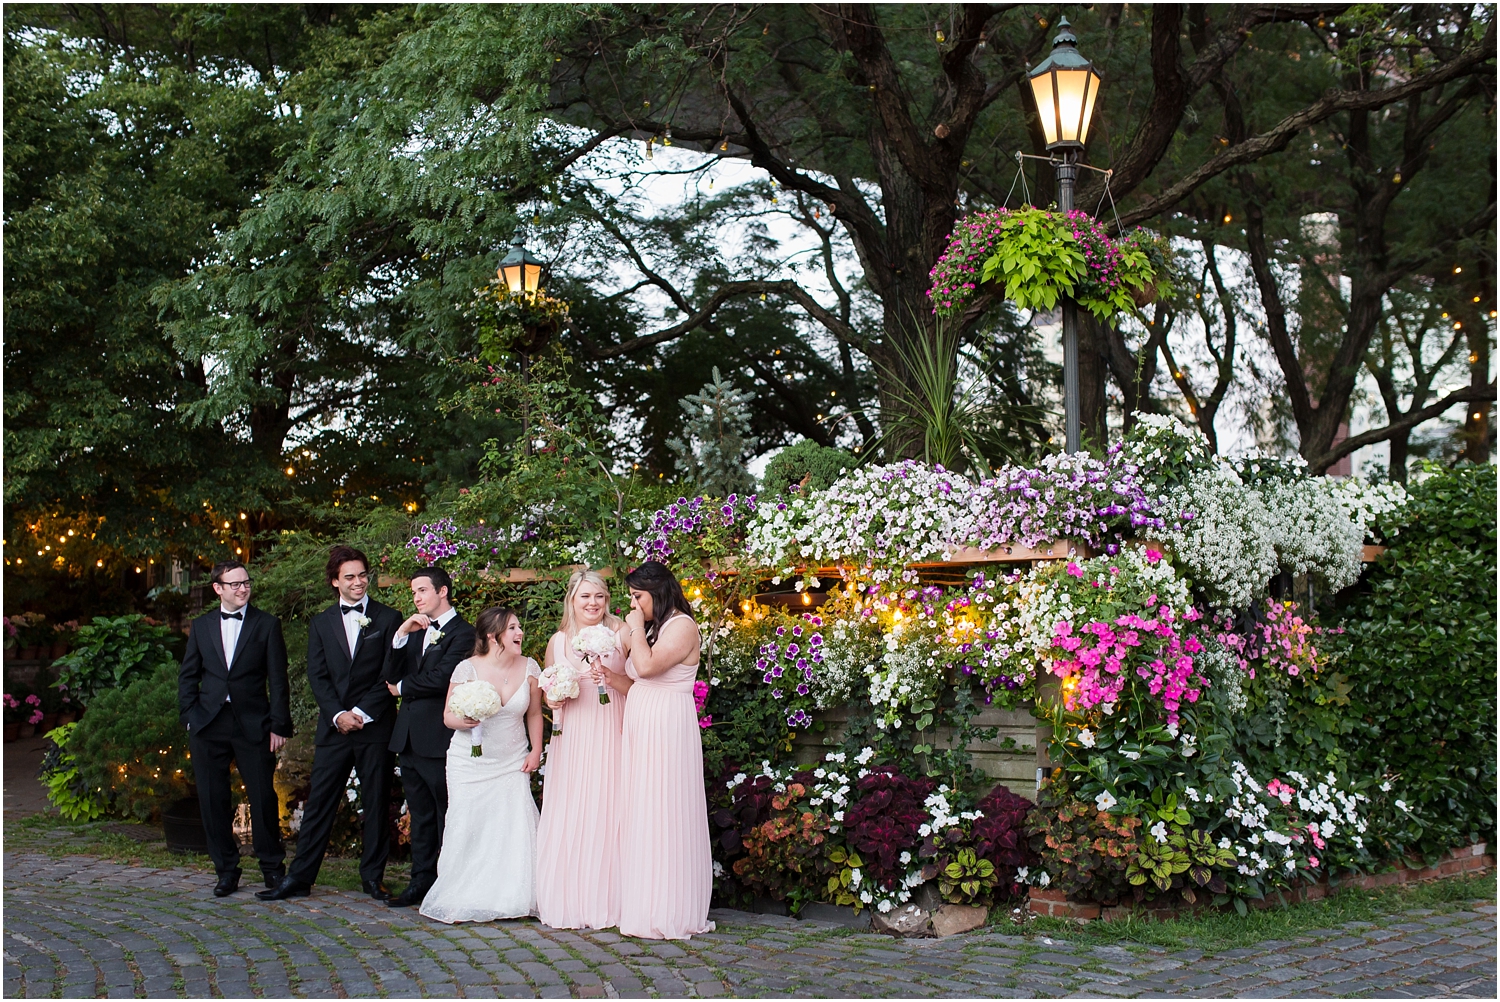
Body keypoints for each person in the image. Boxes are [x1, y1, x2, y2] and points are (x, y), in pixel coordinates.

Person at [261, 546, 402, 902]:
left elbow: (391, 672)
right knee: (319, 803)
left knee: (375, 802)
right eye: (350, 577)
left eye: (362, 575)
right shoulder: (321, 622)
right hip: (334, 728)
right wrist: (339, 715)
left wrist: (363, 713)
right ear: (334, 582)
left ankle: (373, 878)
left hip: (375, 726)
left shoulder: (389, 618)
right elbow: (317, 675)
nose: (358, 582)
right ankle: (300, 877)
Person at [419, 606, 544, 923]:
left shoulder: (530, 667)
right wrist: (465, 720)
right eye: (512, 628)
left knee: (515, 824)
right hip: (469, 763)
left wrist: (536, 750)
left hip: (513, 759)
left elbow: (533, 713)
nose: (520, 633)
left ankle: (513, 895)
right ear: (492, 635)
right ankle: (463, 893)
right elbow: (448, 716)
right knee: (470, 822)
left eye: (519, 627)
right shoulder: (466, 669)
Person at [177, 560, 293, 897]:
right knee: (213, 800)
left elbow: (278, 679)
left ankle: (272, 869)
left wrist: (279, 724)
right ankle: (226, 871)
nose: (243, 589)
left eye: (246, 583)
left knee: (262, 797)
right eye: (235, 584)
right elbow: (188, 676)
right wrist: (190, 716)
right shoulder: (200, 626)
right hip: (208, 723)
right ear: (218, 589)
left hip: (253, 724)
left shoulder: (267, 625)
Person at [616, 561, 714, 939]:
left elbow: (648, 665)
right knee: (644, 808)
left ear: (657, 592)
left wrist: (635, 629)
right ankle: (645, 901)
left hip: (667, 728)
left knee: (665, 808)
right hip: (643, 725)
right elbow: (637, 676)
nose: (635, 605)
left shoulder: (682, 626)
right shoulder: (655, 627)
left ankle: (671, 907)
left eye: (638, 597)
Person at [535, 570, 629, 930]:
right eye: (585, 597)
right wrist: (554, 695)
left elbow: (640, 681)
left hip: (612, 730)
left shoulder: (622, 633)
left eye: (599, 597)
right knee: (575, 809)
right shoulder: (558, 642)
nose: (593, 603)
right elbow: (548, 692)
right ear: (571, 600)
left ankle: (613, 900)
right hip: (573, 735)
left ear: (608, 600)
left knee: (610, 807)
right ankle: (572, 898)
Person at [383, 567, 475, 909]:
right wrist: (400, 636)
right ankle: (419, 882)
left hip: (438, 738)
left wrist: (404, 687)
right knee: (419, 816)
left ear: (443, 592)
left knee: (446, 813)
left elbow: (444, 677)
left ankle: (451, 882)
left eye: (422, 590)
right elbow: (389, 677)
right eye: (414, 592)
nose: (417, 597)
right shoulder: (416, 631)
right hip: (407, 738)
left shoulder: (464, 634)